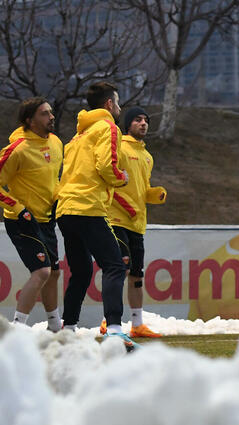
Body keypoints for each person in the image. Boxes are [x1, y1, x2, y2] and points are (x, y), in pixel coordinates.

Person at [56, 81, 133, 344]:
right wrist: (121, 177)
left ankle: (68, 329)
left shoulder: (77, 137)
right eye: (118, 102)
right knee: (114, 266)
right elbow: (107, 166)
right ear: (109, 104)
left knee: (81, 272)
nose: (120, 108)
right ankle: (114, 329)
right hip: (88, 206)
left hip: (66, 209)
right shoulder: (108, 128)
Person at [101, 106, 166, 337]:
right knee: (119, 269)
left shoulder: (147, 156)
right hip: (117, 219)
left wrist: (154, 194)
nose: (143, 123)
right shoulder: (119, 146)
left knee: (137, 275)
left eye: (146, 120)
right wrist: (126, 206)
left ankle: (137, 324)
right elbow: (108, 180)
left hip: (137, 222)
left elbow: (142, 188)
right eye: (137, 120)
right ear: (128, 124)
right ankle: (109, 320)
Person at [0, 97, 63, 331]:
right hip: (22, 220)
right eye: (44, 113)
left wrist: (59, 197)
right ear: (30, 120)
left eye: (51, 112)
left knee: (54, 273)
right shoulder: (17, 149)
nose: (51, 117)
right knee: (42, 271)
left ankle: (54, 325)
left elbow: (55, 179)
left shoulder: (56, 142)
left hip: (47, 219)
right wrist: (18, 208)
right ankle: (18, 329)